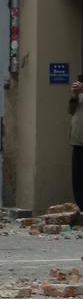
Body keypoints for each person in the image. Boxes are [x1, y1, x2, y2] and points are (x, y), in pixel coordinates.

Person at [70, 78, 83, 209]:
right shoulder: (79, 94)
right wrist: (74, 96)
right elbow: (71, 110)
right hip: (78, 141)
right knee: (78, 178)